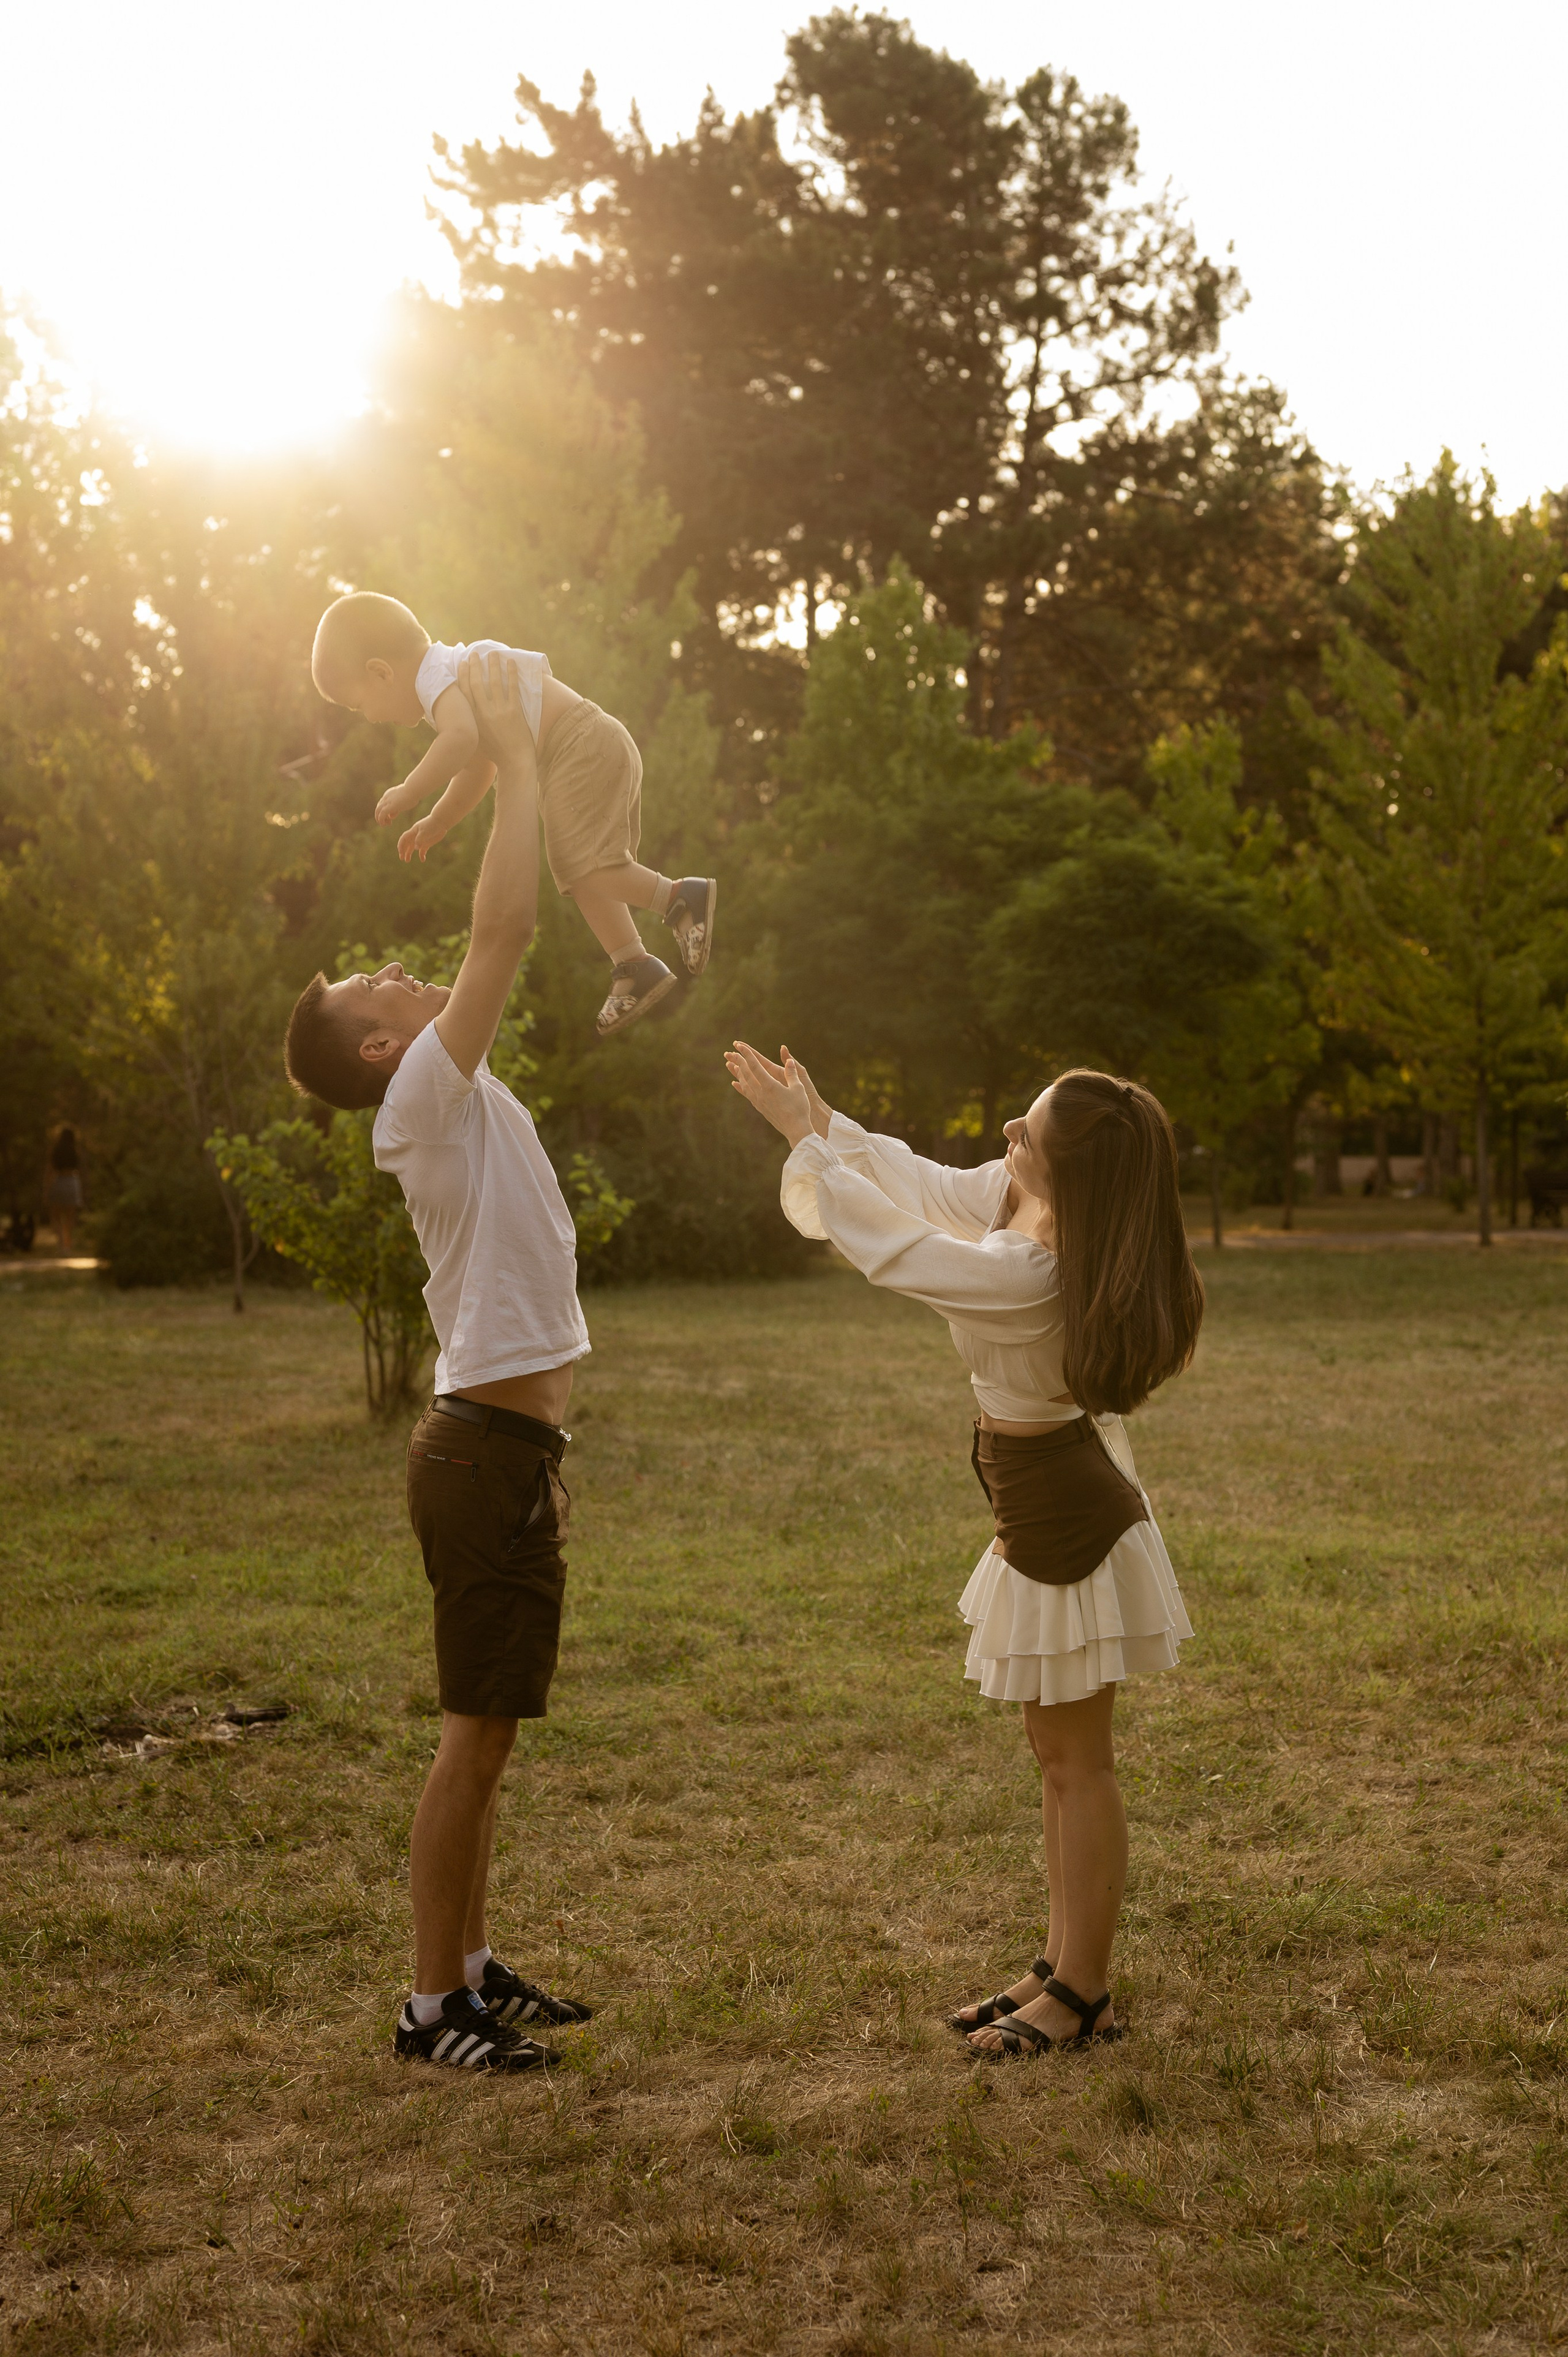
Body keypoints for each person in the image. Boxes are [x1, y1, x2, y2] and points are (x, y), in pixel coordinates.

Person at [724, 1042, 1202, 2059]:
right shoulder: (1026, 1206)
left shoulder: (1034, 1271)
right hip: (1039, 1503)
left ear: (1066, 1172)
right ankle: (1061, 1964)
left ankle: (1083, 1992)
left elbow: (897, 1247)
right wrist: (827, 1122)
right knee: (1055, 1754)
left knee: (1079, 1762)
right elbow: (924, 1183)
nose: (1006, 1137)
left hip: (1070, 1517)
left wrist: (809, 1148)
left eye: (1024, 1134)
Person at [283, 651, 596, 2074]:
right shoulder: (415, 1090)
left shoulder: (437, 1085)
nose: (401, 968)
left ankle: (469, 1962)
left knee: (496, 1730)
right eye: (377, 979)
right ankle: (430, 2011)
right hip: (481, 1450)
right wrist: (516, 767)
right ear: (374, 1038)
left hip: (509, 1450)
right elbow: (504, 927)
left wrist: (473, 761)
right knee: (470, 1737)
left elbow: (484, 939)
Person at [310, 590, 717, 1039]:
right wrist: (441, 819)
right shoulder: (446, 680)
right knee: (583, 870)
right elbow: (479, 764)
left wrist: (411, 790)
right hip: (584, 745)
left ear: (381, 672)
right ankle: (633, 962)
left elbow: (461, 741)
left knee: (579, 866)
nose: (367, 718)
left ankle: (679, 897)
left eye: (358, 705)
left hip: (577, 745)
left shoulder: (435, 679)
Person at [45, 1126, 84, 1254]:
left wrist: (46, 1188)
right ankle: (68, 1244)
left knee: (56, 1215)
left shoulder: (56, 1150)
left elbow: (50, 1170)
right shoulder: (75, 1151)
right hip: (72, 1181)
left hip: (59, 1181)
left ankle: (61, 1243)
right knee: (70, 1216)